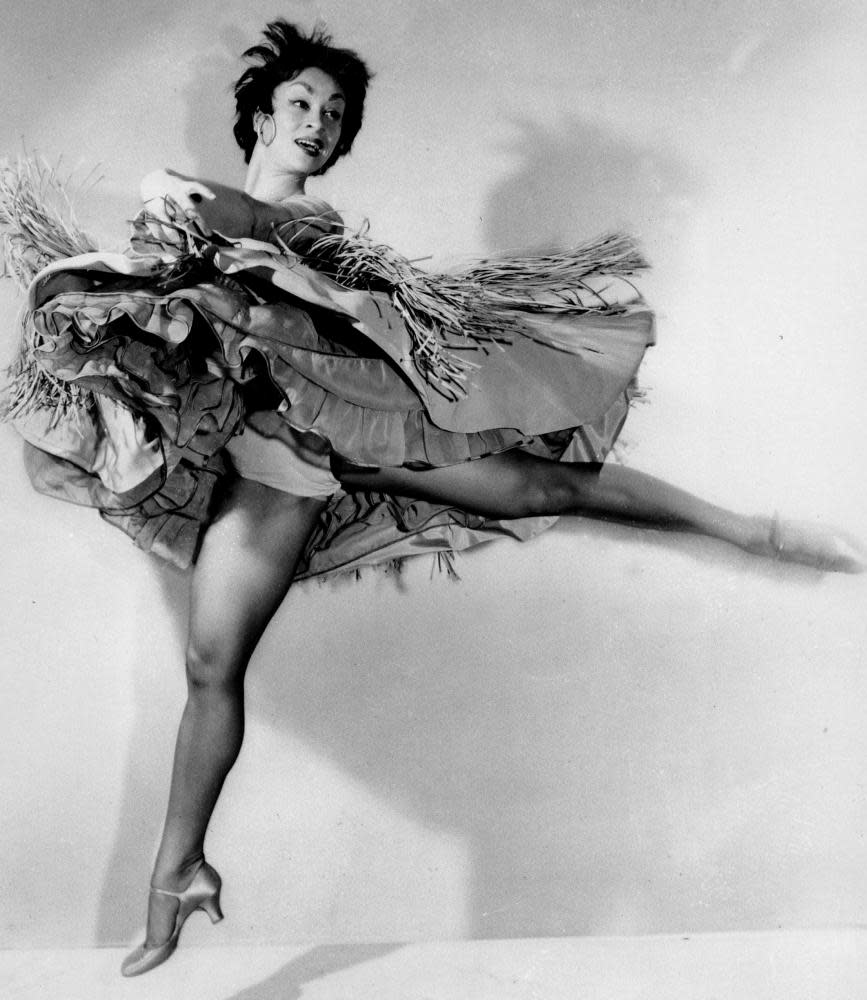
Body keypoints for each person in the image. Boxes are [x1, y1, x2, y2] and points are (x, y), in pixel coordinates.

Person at [2, 21, 863, 978]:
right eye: (301, 105)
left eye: (334, 115)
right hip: (264, 477)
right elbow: (154, 297)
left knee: (542, 485)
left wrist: (284, 280)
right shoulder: (190, 196)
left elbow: (338, 311)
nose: (318, 125)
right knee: (210, 668)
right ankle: (177, 877)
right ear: (258, 111)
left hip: (350, 442)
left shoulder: (320, 232)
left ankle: (753, 532)